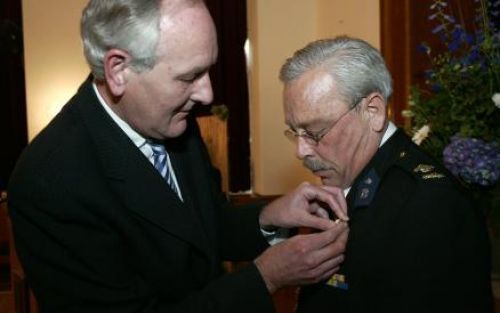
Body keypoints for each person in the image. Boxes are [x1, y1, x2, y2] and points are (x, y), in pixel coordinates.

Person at [7, 1, 350, 312]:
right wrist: (267, 277)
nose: (207, 93)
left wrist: (272, 217)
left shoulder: (169, 121)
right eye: (189, 76)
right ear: (118, 70)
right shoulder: (49, 182)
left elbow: (205, 226)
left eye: (208, 70)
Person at [279, 36, 494, 313]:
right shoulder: (353, 179)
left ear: (373, 111)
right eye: (294, 132)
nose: (301, 150)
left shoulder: (429, 204)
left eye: (315, 132)